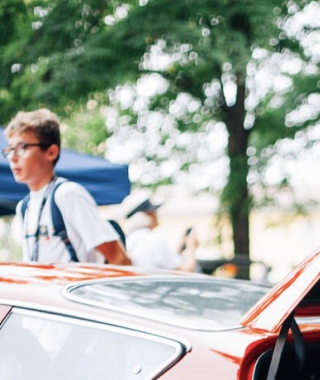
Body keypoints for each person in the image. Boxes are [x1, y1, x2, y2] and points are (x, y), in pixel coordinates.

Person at [6, 108, 130, 265]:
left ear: (51, 152)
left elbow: (119, 258)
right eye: (9, 150)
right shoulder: (24, 206)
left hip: (72, 289)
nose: (13, 157)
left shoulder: (67, 194)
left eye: (22, 147)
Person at [122, 193, 197, 272]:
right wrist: (191, 248)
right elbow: (185, 271)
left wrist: (180, 248)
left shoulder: (129, 240)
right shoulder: (153, 240)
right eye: (152, 213)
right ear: (142, 216)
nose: (156, 215)